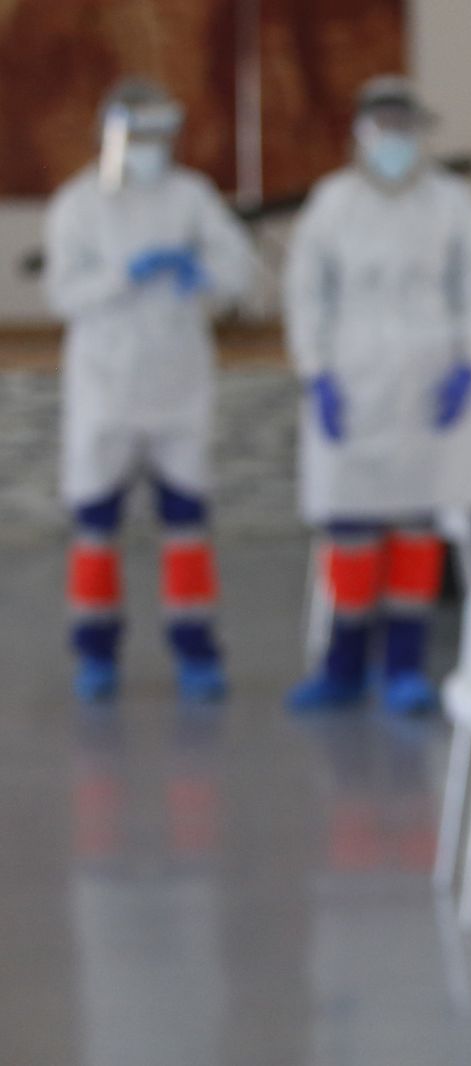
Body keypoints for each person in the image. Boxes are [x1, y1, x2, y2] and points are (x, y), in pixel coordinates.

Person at [284, 76, 471, 714]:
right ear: (360, 131)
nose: (394, 141)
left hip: (429, 384)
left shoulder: (452, 203)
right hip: (351, 382)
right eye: (382, 127)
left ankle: (404, 665)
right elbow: (306, 291)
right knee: (349, 524)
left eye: (404, 127)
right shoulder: (332, 203)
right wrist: (316, 371)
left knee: (418, 523)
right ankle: (343, 666)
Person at [45, 77, 256, 703]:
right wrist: (122, 274)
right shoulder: (78, 203)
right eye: (138, 134)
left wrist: (203, 272)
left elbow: (238, 268)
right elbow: (63, 293)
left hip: (178, 383)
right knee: (95, 524)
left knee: (186, 522)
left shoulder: (191, 197)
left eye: (160, 134)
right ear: (110, 135)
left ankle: (196, 651)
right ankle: (95, 653)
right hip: (105, 387)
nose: (150, 147)